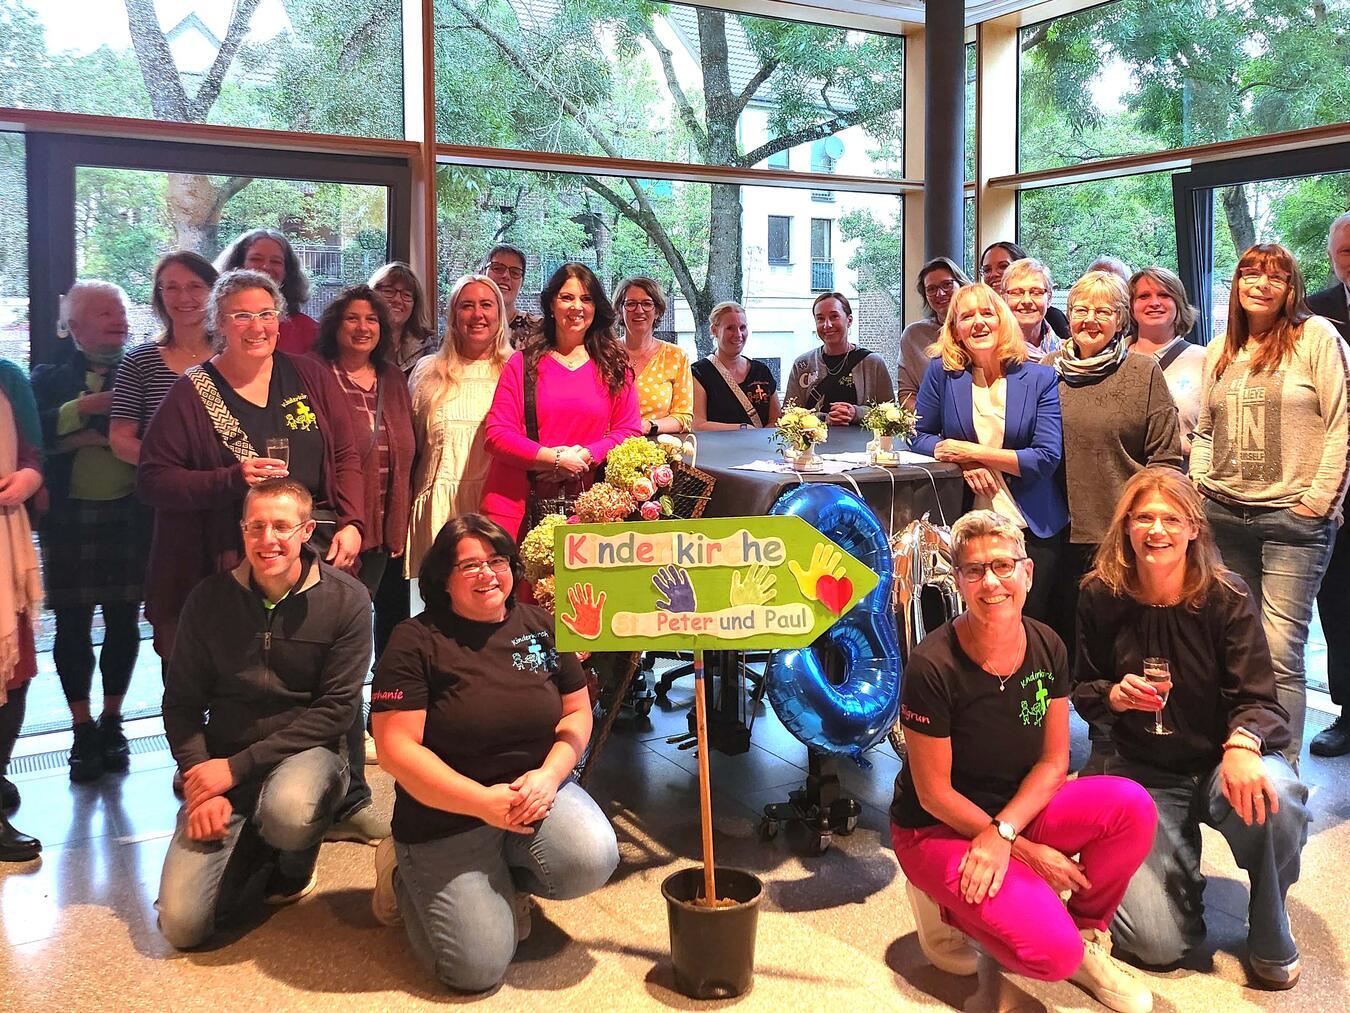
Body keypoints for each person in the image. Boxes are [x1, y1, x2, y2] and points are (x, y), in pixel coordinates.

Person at [890, 510, 1156, 1013]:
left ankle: (1086, 935)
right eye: (973, 570)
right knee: (1050, 958)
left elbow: (1055, 761)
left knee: (1131, 805)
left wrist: (1008, 834)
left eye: (1003, 566)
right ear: (959, 582)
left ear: (1027, 573)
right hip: (937, 828)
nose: (991, 581)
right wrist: (1024, 852)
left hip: (1017, 814)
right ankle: (942, 904)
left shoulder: (1047, 643)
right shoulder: (932, 665)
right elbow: (933, 794)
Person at [1074, 468, 1309, 990]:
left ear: (1193, 529)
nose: (1156, 530)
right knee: (1154, 946)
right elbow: (1084, 686)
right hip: (1144, 771)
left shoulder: (1226, 596)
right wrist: (1112, 695)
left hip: (1219, 762)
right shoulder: (1099, 594)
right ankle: (1176, 876)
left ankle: (1270, 918)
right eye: (1144, 519)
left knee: (1282, 795)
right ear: (1126, 528)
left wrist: (1244, 744)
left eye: (1170, 519)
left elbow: (1260, 698)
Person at [370, 514, 619, 992]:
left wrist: (549, 775)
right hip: (447, 814)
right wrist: (483, 803)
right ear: (443, 577)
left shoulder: (541, 623)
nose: (487, 574)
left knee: (591, 857)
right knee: (474, 969)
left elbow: (577, 713)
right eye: (469, 565)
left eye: (497, 560)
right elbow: (396, 751)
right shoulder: (415, 641)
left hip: (533, 793)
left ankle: (505, 876)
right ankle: (401, 875)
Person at [156, 480, 372, 949]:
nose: (267, 539)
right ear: (242, 531)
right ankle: (254, 841)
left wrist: (233, 769)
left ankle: (292, 856)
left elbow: (336, 710)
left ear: (306, 530)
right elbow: (181, 703)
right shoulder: (209, 599)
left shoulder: (347, 600)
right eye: (256, 527)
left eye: (281, 526)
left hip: (308, 754)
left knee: (290, 813)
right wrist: (199, 780)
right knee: (183, 925)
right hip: (224, 760)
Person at [137, 270, 363, 665]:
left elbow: (346, 455)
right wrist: (231, 480)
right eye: (241, 316)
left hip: (309, 552)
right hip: (225, 563)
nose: (256, 327)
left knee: (310, 667)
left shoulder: (309, 375)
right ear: (219, 323)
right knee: (234, 678)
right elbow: (153, 480)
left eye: (266, 314)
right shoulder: (193, 393)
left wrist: (353, 523)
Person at [1191, 243, 1350, 763]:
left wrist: (1318, 502)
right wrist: (1200, 484)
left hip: (1293, 522)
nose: (1259, 284)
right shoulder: (1222, 348)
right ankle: (1241, 753)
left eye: (1274, 277)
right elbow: (1205, 430)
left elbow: (1341, 425)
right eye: (1249, 274)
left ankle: (1279, 771)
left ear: (1291, 288)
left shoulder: (1317, 337)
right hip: (1224, 512)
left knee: (1281, 654)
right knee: (1239, 648)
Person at [31, 281, 149, 783]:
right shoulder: (48, 374)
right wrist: (85, 412)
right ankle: (81, 728)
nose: (117, 320)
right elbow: (31, 434)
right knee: (73, 624)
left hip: (131, 514)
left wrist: (81, 438)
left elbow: (158, 430)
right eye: (103, 313)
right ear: (74, 326)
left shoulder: (143, 369)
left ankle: (113, 719)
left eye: (120, 311)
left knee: (124, 621)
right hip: (69, 517)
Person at [912, 283, 1068, 623]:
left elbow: (1044, 457)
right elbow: (918, 436)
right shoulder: (942, 373)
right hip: (965, 524)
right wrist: (962, 462)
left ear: (1004, 321)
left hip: (1031, 527)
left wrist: (972, 451)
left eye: (988, 313)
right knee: (972, 626)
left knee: (1031, 627)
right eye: (966, 316)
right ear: (955, 329)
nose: (978, 323)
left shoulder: (1040, 377)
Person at [1044, 270, 1182, 654]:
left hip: (1120, 533)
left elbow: (1166, 460)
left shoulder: (1143, 372)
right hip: (1055, 534)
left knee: (1119, 647)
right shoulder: (1045, 371)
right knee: (1066, 647)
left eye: (1104, 311)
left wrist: (1150, 524)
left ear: (1122, 318)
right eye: (1081, 309)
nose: (1090, 320)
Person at [481, 263, 641, 542]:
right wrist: (553, 460)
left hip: (592, 508)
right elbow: (497, 435)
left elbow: (629, 431)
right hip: (519, 508)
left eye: (586, 298)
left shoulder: (615, 367)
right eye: (567, 297)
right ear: (551, 304)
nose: (576, 306)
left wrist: (583, 458)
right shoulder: (521, 364)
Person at [311, 285, 414, 597]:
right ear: (335, 325)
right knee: (331, 615)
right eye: (352, 319)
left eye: (371, 319)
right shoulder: (315, 373)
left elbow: (409, 448)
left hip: (383, 523)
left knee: (363, 611)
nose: (363, 327)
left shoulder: (393, 378)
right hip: (335, 523)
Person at [406, 274, 512, 577]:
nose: (477, 314)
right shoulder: (428, 371)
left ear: (499, 314)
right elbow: (411, 443)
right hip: (439, 510)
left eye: (486, 305)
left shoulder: (517, 370)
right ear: (453, 315)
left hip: (496, 508)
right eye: (466, 305)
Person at [109, 251, 218, 466]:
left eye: (195, 286)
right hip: (163, 491)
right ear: (160, 295)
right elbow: (120, 440)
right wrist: (174, 471)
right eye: (171, 288)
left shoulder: (235, 356)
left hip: (231, 488)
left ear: (215, 292)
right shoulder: (139, 361)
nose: (184, 297)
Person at [0, 359, 44, 862]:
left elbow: (34, 450)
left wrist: (29, 477)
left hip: (4, 539)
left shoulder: (8, 377)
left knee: (13, 673)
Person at [1311, 214, 1350, 756]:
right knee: (1340, 599)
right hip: (1340, 481)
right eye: (1344, 250)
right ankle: (1347, 709)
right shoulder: (1315, 312)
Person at [1127, 267, 1206, 457]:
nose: (1154, 303)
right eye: (1144, 296)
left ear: (1178, 303)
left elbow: (1216, 435)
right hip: (1123, 480)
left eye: (1164, 295)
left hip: (1181, 479)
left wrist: (1173, 445)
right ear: (1131, 306)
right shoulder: (1112, 359)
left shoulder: (1205, 360)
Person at [786, 291, 894, 425]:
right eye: (820, 318)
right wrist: (824, 419)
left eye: (834, 316)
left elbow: (890, 413)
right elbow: (789, 415)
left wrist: (856, 413)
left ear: (849, 320)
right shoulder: (802, 364)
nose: (827, 325)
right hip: (814, 445)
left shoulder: (873, 363)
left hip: (865, 444)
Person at [216, 229, 317, 355]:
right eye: (256, 259)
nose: (266, 267)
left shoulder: (309, 331)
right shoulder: (217, 324)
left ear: (287, 271)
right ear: (238, 265)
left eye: (276, 261)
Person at [614, 276, 692, 437]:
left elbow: (683, 418)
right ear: (620, 311)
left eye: (647, 304)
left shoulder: (676, 356)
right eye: (630, 304)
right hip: (606, 449)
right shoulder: (603, 353)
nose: (639, 310)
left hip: (657, 454)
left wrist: (647, 426)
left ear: (657, 311)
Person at [691, 301, 780, 431]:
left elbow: (776, 420)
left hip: (759, 449)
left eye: (742, 327)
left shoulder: (762, 371)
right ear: (714, 330)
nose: (738, 334)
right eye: (730, 328)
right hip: (718, 450)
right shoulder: (698, 373)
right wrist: (743, 428)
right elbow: (698, 425)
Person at [896, 257, 971, 407]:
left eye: (947, 285)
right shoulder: (913, 335)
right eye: (931, 289)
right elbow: (907, 394)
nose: (940, 294)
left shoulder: (980, 330)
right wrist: (927, 422)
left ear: (962, 285)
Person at [980, 241, 1070, 340]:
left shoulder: (1053, 318)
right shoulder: (982, 322)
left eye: (1003, 266)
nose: (993, 274)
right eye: (987, 270)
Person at [370, 261, 438, 375]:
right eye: (388, 291)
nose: (397, 300)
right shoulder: (360, 342)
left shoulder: (427, 349)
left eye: (406, 295)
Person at [1002, 257, 1063, 362]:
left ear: (1049, 298)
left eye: (1036, 292)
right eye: (1017, 292)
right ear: (1003, 298)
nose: (1026, 301)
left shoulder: (1067, 353)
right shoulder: (993, 352)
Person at [483, 244, 541, 349]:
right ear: (483, 273)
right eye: (498, 268)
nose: (506, 276)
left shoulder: (538, 330)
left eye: (515, 272)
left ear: (522, 283)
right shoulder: (468, 326)